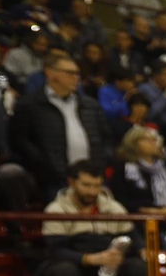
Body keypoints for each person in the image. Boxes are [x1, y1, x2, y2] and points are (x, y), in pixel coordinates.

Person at [38, 159, 149, 276]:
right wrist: (90, 259)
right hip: (78, 264)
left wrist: (142, 250)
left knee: (139, 267)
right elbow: (56, 251)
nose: (92, 191)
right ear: (71, 183)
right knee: (64, 270)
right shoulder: (56, 210)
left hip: (110, 264)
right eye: (86, 185)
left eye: (97, 186)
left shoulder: (114, 207)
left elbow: (133, 237)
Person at [10, 53, 109, 200]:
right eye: (70, 73)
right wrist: (45, 164)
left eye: (77, 73)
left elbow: (106, 137)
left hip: (91, 179)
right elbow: (20, 141)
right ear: (50, 73)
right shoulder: (29, 104)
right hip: (53, 180)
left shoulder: (90, 105)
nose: (76, 77)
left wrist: (101, 162)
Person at [109, 125, 166, 215]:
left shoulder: (164, 165)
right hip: (138, 217)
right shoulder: (124, 167)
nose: (153, 143)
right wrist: (145, 211)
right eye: (148, 139)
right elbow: (119, 198)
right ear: (133, 143)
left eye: (154, 139)